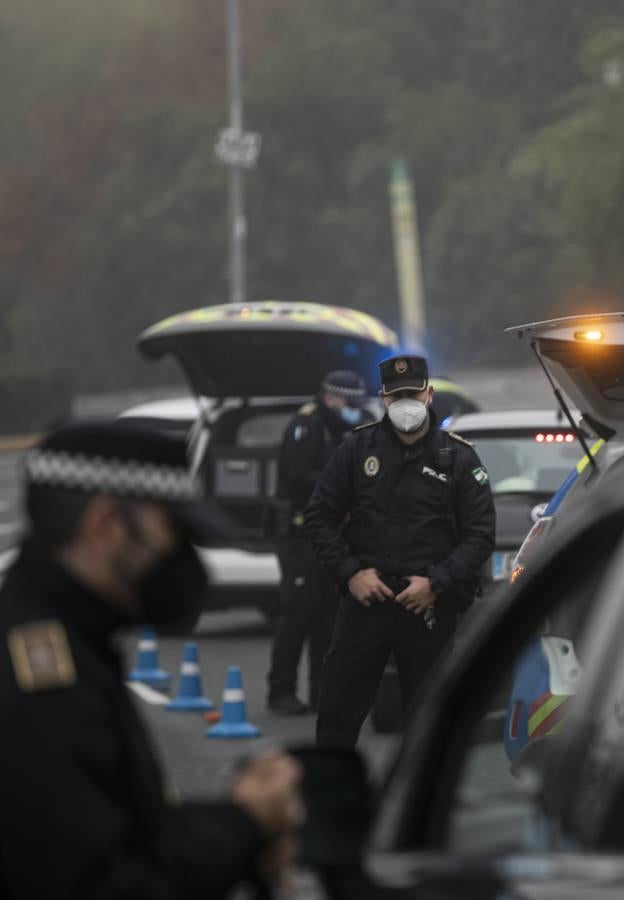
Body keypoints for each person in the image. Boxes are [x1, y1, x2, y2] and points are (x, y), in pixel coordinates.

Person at [0, 422, 302, 899]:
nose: (183, 560)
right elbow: (101, 886)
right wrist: (243, 825)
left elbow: (106, 830)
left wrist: (235, 824)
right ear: (106, 525)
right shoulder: (41, 687)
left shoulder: (64, 634)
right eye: (173, 533)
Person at [306, 354, 495, 748]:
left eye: (413, 393)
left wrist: (437, 583)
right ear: (383, 399)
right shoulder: (357, 450)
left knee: (430, 727)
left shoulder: (458, 456)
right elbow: (319, 517)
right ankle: (332, 802)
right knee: (336, 717)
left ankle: (416, 807)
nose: (405, 402)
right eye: (396, 396)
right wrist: (350, 573)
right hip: (366, 602)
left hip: (427, 607)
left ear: (428, 394)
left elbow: (480, 533)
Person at [266, 369, 371, 716]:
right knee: (299, 609)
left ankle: (321, 692)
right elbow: (299, 478)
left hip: (334, 535)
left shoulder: (351, 426)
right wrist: (344, 484)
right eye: (349, 403)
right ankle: (280, 691)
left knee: (329, 614)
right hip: (300, 533)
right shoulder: (307, 426)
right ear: (330, 398)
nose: (355, 409)